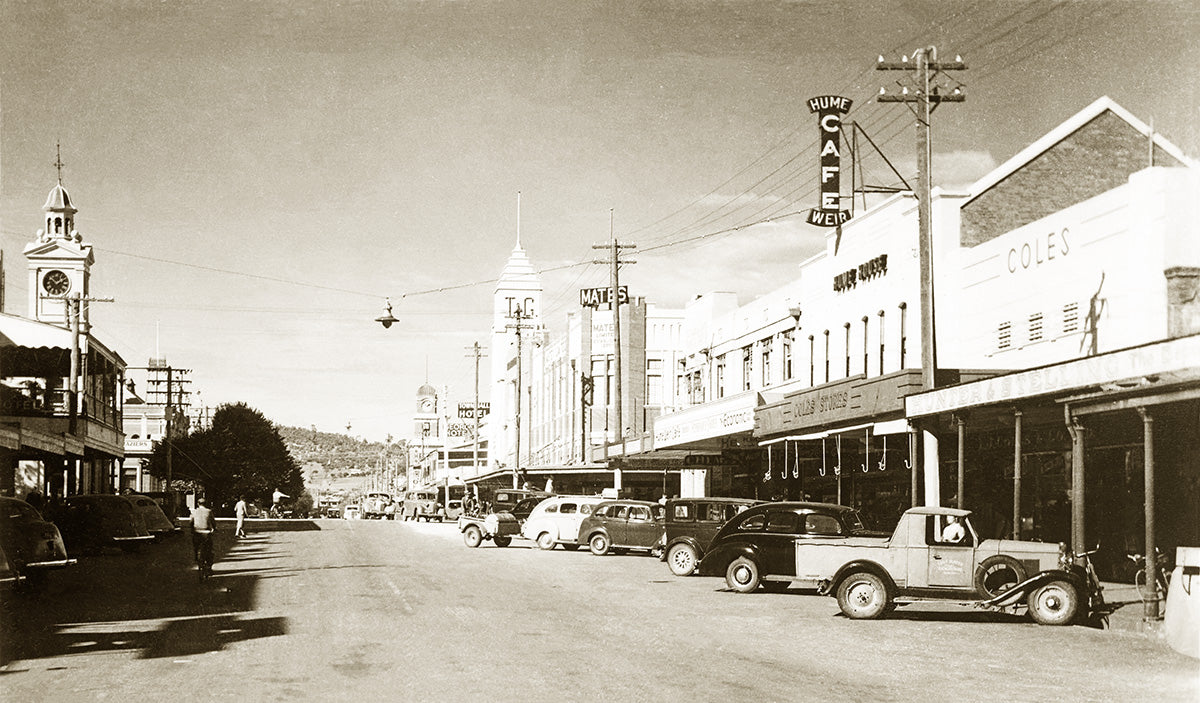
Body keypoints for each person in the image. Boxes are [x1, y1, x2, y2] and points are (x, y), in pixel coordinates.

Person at [190, 497, 217, 575]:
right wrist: (214, 528)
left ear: (198, 504)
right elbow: (213, 522)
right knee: (209, 549)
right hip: (206, 533)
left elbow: (191, 522)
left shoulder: (194, 512)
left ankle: (197, 558)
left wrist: (192, 530)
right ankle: (209, 565)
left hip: (197, 532)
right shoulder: (209, 511)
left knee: (196, 547)